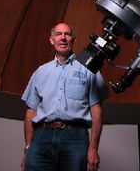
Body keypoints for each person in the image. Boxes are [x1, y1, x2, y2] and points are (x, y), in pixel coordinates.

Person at [21, 23, 109, 171]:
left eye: (67, 34)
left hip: (75, 137)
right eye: (58, 34)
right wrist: (28, 146)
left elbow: (96, 110)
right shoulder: (41, 71)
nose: (63, 38)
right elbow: (31, 111)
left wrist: (93, 149)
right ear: (51, 40)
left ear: (73, 40)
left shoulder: (88, 64)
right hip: (41, 137)